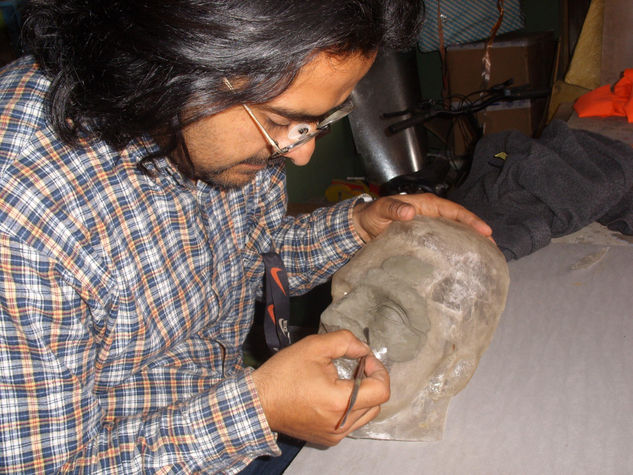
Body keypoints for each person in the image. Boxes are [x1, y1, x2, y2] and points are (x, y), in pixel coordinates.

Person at [0, 1, 492, 473]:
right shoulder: (24, 220)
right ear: (170, 64)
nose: (300, 154)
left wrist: (360, 226)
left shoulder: (221, 122)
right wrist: (257, 411)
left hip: (226, 420)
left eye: (319, 120)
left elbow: (253, 257)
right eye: (283, 121)